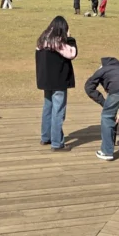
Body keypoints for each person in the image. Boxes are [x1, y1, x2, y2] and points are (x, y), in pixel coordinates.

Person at [35, 16, 77, 151]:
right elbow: (72, 53)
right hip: (58, 81)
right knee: (58, 111)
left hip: (46, 81)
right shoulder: (58, 42)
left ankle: (45, 137)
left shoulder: (42, 41)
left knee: (47, 108)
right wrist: (70, 39)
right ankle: (57, 143)